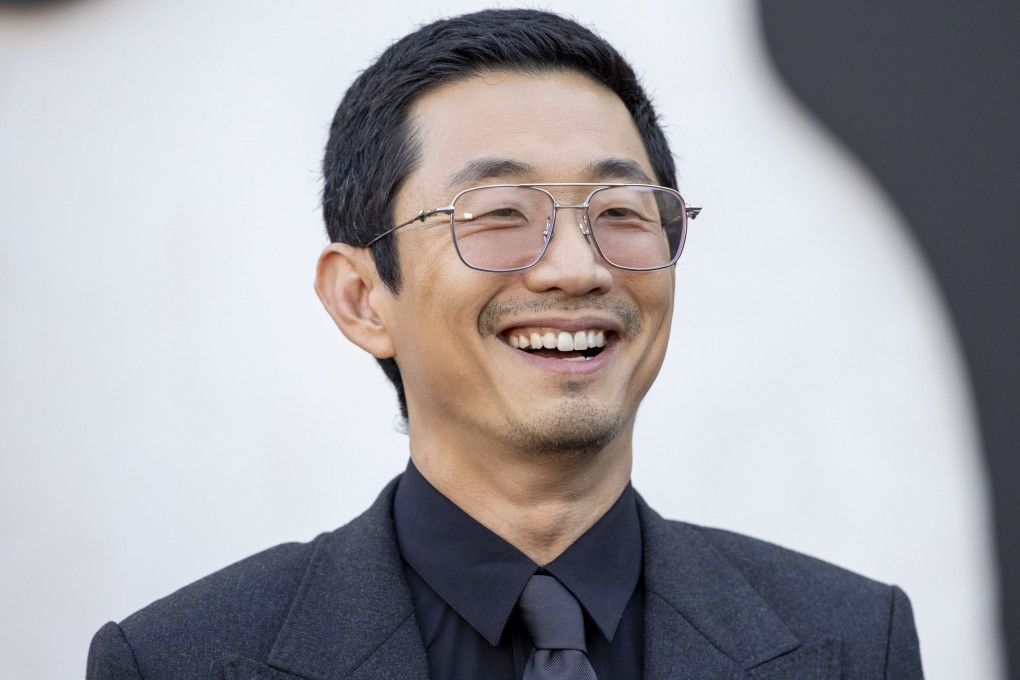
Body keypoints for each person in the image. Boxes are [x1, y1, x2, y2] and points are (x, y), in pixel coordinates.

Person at [87, 9, 924, 679]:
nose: (575, 268)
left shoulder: (851, 641)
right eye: (496, 215)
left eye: (622, 213)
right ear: (361, 297)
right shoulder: (174, 659)